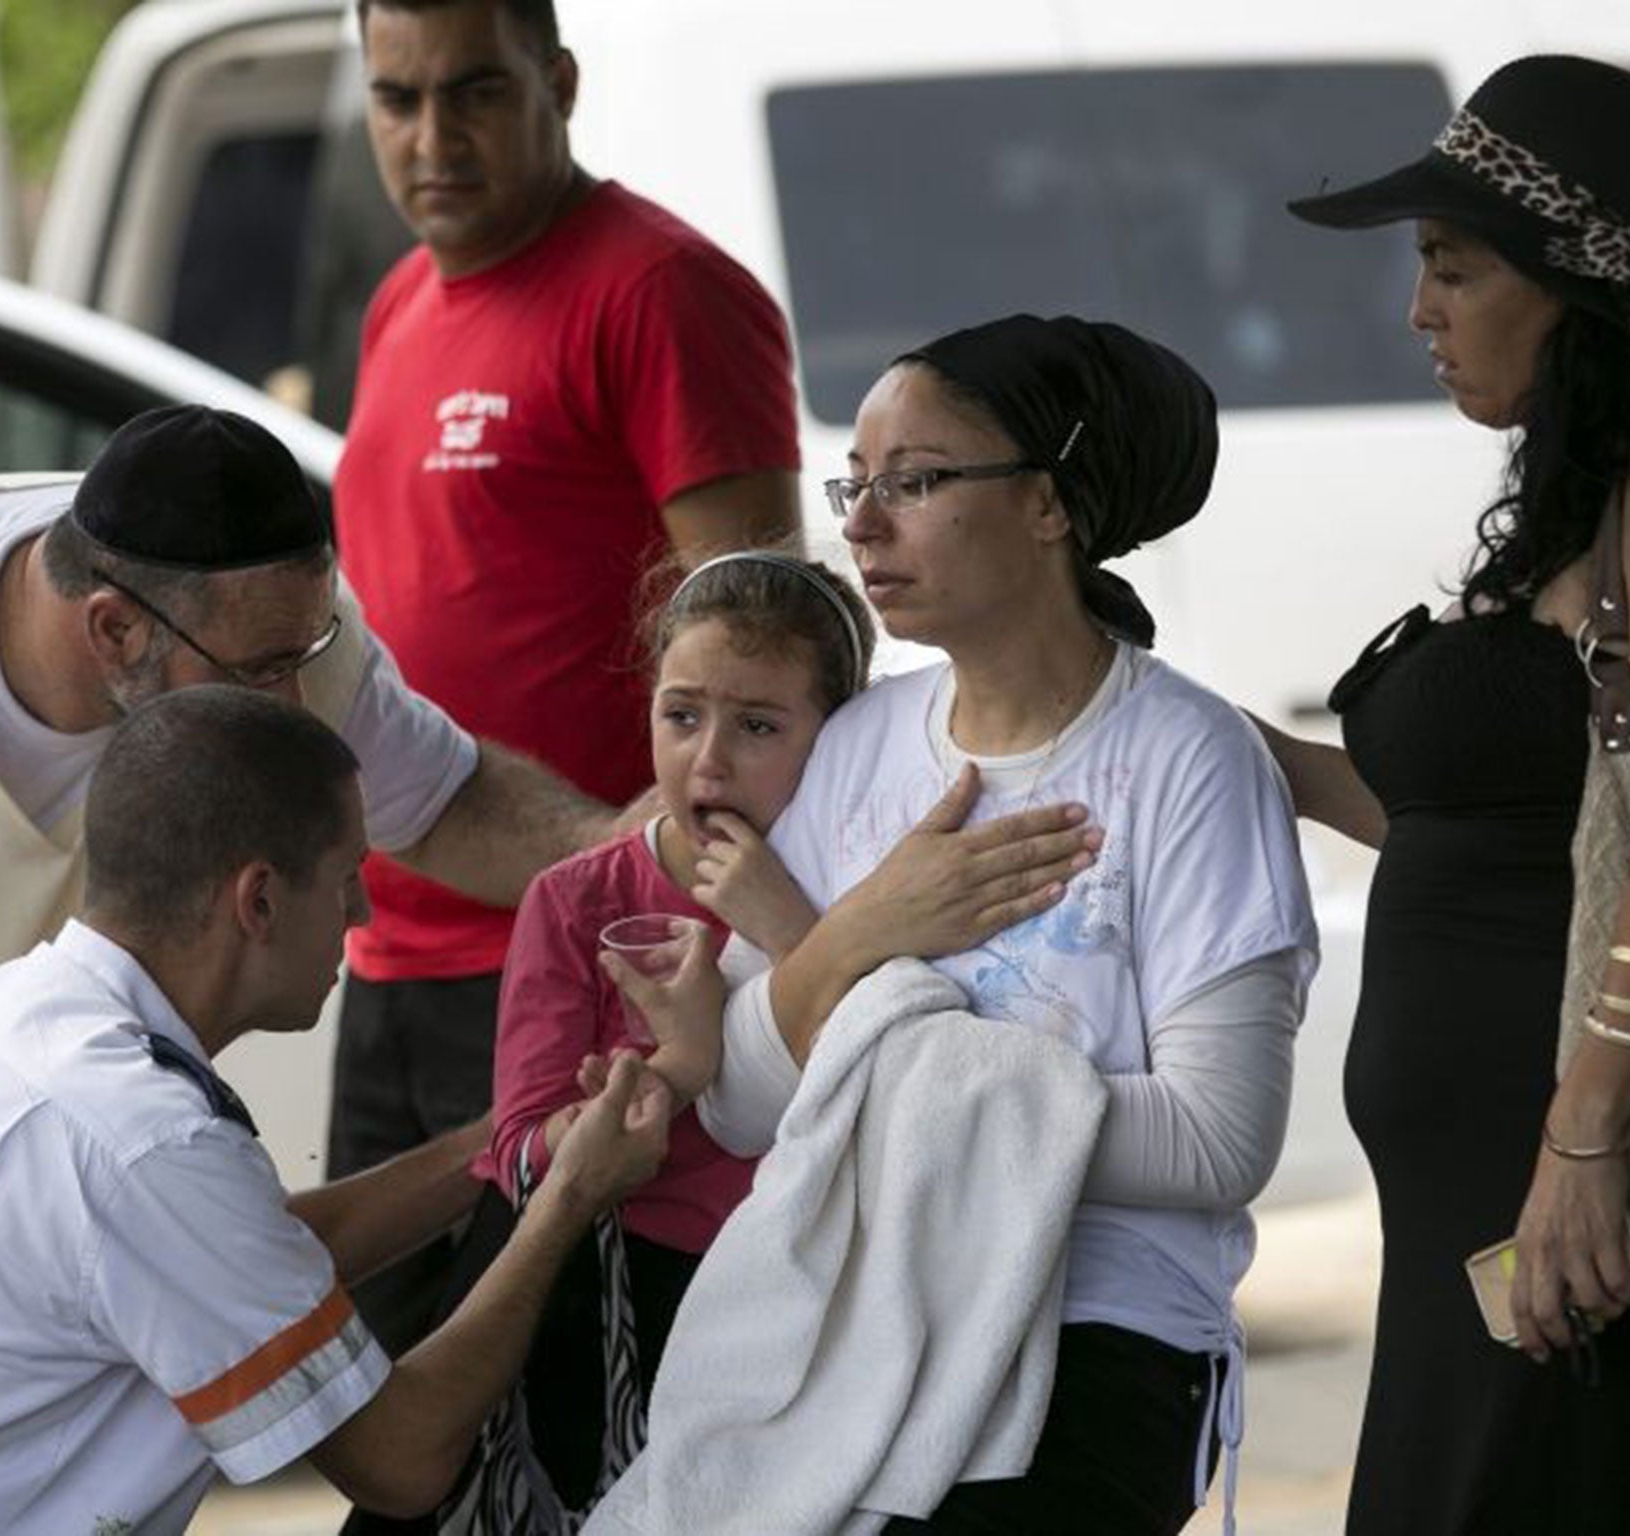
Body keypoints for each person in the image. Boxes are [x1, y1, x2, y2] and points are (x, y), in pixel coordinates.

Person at [0, 402, 630, 1344]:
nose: (297, 705)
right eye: (264, 672)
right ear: (115, 633)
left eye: (304, 659)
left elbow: (454, 805)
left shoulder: (267, 621)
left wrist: (653, 859)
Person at [0, 686, 670, 1531]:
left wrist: (504, 1141)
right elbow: (402, 1459)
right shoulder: (137, 1137)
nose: (362, 916)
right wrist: (565, 1196)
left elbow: (245, 1258)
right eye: (346, 878)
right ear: (257, 900)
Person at [691, 314, 1319, 1534]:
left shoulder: (1184, 759)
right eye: (855, 484)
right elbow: (739, 1101)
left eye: (914, 483)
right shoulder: (859, 746)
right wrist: (871, 924)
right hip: (858, 1325)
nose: (862, 524)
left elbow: (1214, 1142)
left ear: (1049, 505)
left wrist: (878, 1059)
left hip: (1102, 1333)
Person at [1264, 54, 1630, 1533]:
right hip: (1472, 1212)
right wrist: (1232, 753)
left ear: (1570, 286)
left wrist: (1579, 1140)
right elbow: (1488, 839)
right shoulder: (1571, 504)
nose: (1421, 311)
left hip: (1591, 1203)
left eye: (1453, 269)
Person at [327, 0, 804, 1360]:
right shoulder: (399, 303)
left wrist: (692, 932)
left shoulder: (658, 291)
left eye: (473, 92)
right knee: (394, 1413)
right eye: (396, 98)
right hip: (387, 949)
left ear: (561, 83)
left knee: (563, 1414)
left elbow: (765, 647)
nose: (431, 137)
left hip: (576, 965)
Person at [467, 551, 874, 1515]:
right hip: (617, 1316)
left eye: (760, 726)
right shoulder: (577, 901)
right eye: (681, 715)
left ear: (842, 735)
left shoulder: (866, 887)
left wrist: (791, 937)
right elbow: (521, 1153)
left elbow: (901, 1086)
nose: (709, 760)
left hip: (807, 1310)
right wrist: (675, 1072)